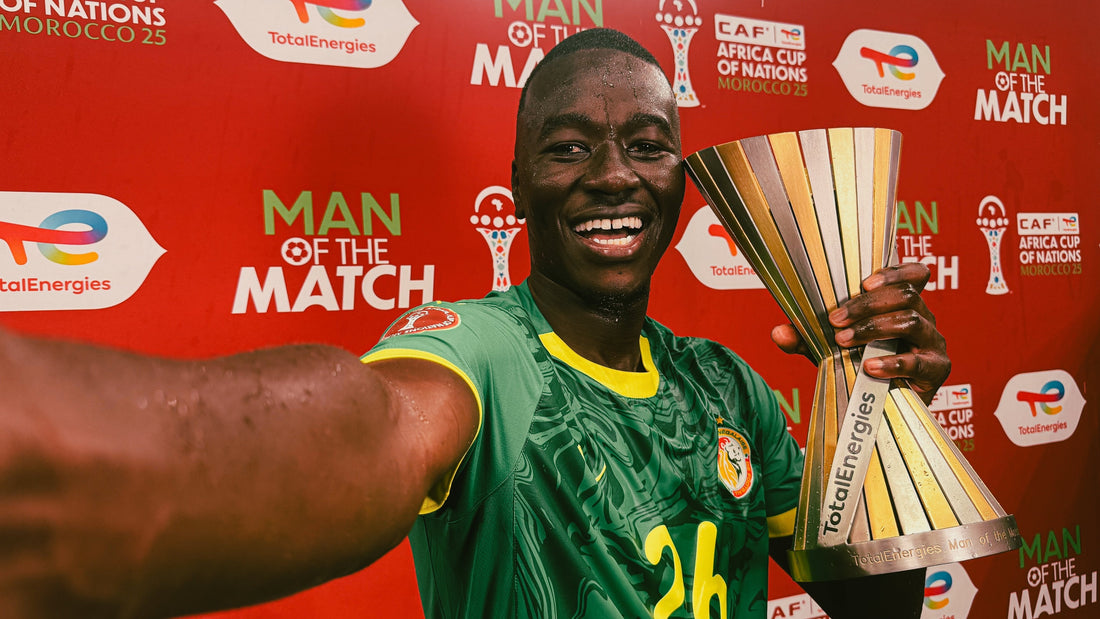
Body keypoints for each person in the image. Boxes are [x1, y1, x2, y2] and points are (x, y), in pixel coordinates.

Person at [0, 29, 949, 619]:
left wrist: (885, 414)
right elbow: (370, 427)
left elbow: (883, 604)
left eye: (648, 145)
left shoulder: (727, 383)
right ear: (521, 186)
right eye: (569, 147)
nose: (614, 174)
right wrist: (59, 451)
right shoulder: (481, 349)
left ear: (678, 181)